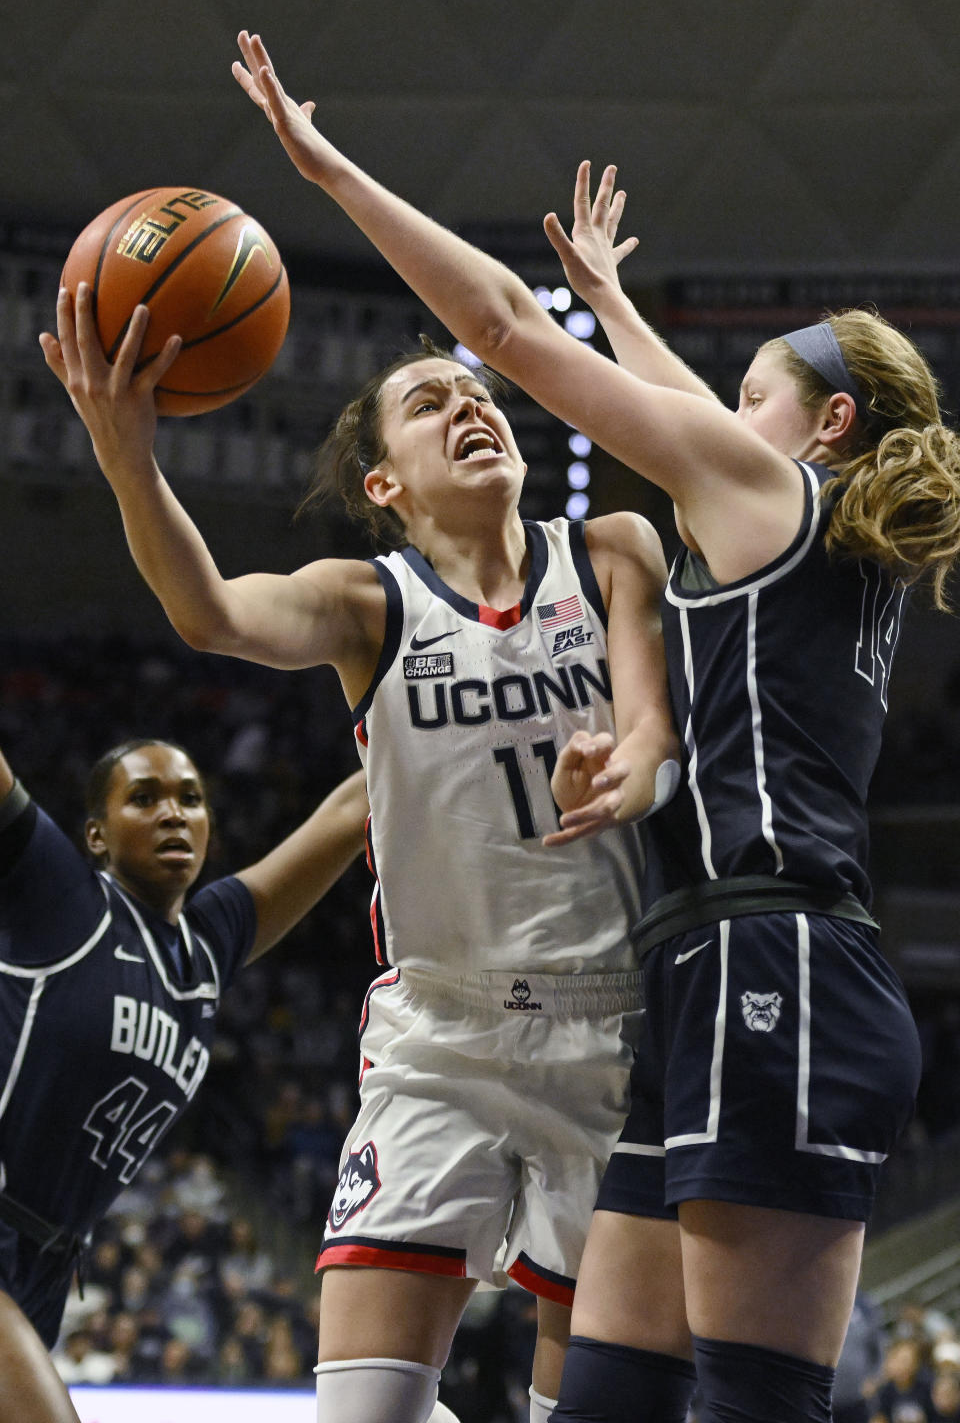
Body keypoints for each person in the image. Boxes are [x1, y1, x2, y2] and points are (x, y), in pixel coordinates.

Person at [214, 32, 960, 1423]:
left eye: (749, 398)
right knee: (610, 1401)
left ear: (825, 425)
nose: (708, 412)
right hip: (707, 969)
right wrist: (615, 304)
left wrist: (329, 172)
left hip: (778, 962)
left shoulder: (769, 500)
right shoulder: (802, 514)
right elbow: (689, 411)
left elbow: (502, 330)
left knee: (756, 1405)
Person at [39, 100, 679, 1423]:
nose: (471, 408)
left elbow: (657, 737)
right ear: (385, 482)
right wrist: (126, 456)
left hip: (614, 1030)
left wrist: (628, 767)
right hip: (439, 1037)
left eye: (481, 393)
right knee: (364, 1413)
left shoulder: (611, 549)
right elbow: (212, 614)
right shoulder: (366, 604)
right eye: (431, 403)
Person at [0, 733, 368, 1423]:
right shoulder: (60, 897)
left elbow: (353, 810)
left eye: (190, 799)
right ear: (96, 836)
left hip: (46, 1264)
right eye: (144, 799)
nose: (174, 813)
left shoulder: (207, 946)